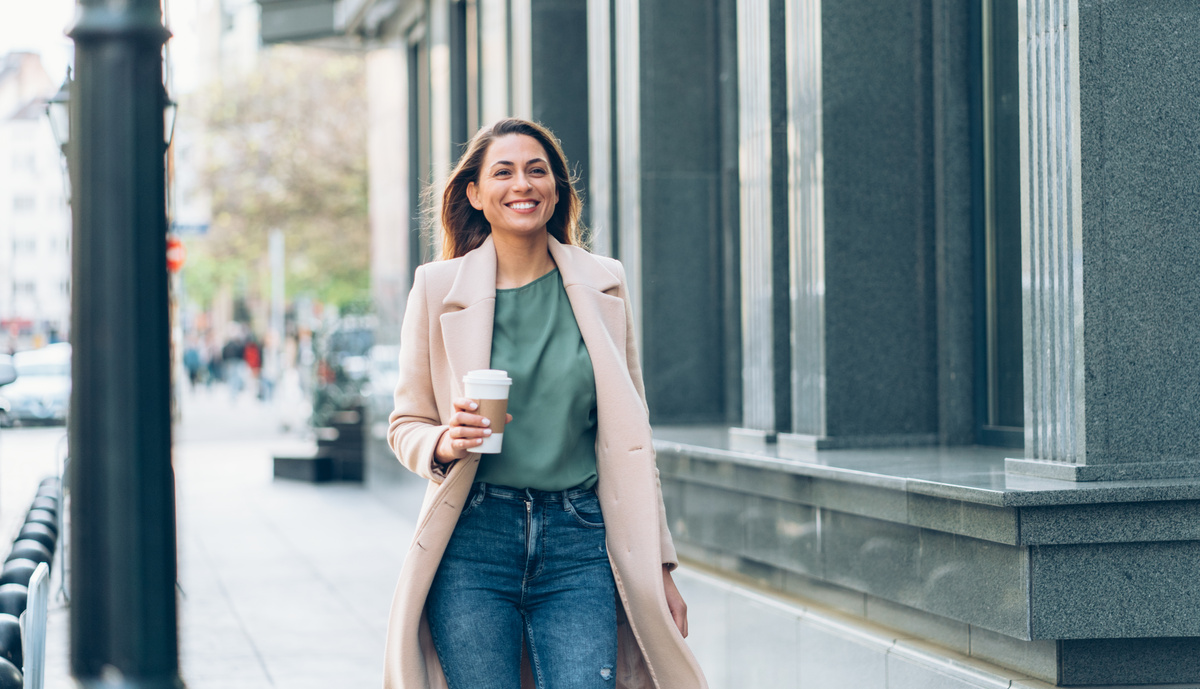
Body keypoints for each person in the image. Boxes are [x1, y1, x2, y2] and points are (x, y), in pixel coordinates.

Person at [385, 118, 707, 689]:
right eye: (502, 172)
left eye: (537, 171)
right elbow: (406, 422)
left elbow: (633, 442)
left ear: (557, 189)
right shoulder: (437, 287)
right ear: (476, 194)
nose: (522, 184)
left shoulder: (605, 284)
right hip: (473, 538)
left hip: (579, 539)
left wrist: (660, 566)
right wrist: (443, 440)